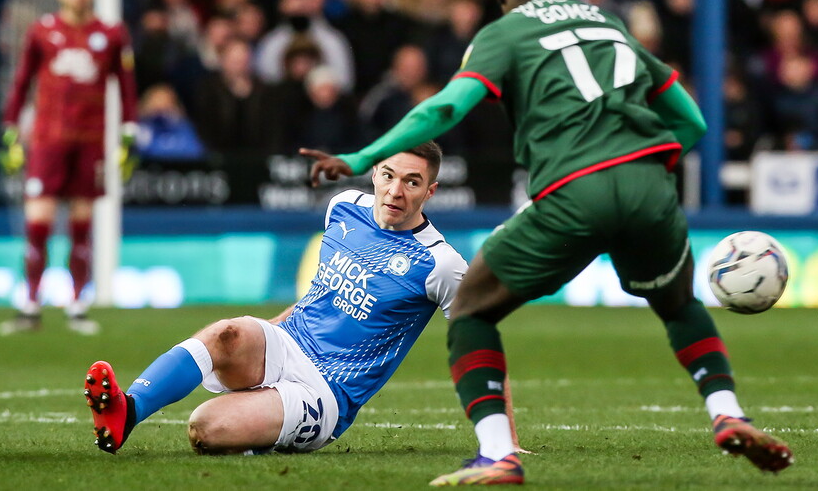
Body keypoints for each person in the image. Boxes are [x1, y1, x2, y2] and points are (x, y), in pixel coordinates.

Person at [300, 0, 794, 485]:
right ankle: (727, 413)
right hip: (650, 185)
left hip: (573, 189)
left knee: (471, 309)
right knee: (678, 306)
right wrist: (646, 168)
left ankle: (497, 454)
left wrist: (359, 157)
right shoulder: (609, 24)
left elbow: (444, 109)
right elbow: (691, 119)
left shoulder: (504, 33)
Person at [84, 143, 521, 456]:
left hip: (326, 393)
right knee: (229, 333)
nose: (395, 191)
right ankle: (127, 410)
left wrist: (505, 441)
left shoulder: (440, 264)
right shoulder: (344, 207)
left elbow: (479, 342)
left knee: (206, 428)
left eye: (412, 182)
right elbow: (320, 295)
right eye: (388, 176)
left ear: (431, 191)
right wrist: (269, 332)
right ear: (373, 172)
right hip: (287, 341)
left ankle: (268, 422)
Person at [0, 0, 137, 336]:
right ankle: (30, 303)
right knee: (38, 223)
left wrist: (128, 133)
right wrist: (10, 128)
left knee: (81, 225)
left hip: (90, 142)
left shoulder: (111, 34)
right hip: (47, 141)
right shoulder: (42, 31)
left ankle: (76, 304)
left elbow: (125, 87)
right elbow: (22, 80)